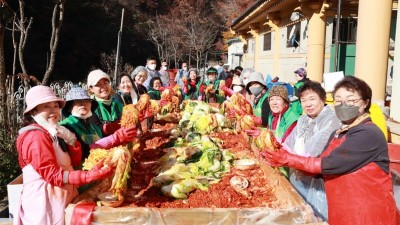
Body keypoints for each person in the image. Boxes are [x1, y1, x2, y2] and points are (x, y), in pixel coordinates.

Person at [262, 76, 398, 225]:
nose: (344, 105)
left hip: (367, 213)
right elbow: (318, 167)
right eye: (339, 101)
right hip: (342, 209)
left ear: (365, 103)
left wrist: (288, 159)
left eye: (351, 100)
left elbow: (328, 164)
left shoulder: (368, 133)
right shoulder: (341, 131)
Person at [15, 85, 114, 225]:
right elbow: (51, 174)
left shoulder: (55, 131)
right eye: (46, 106)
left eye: (55, 106)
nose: (53, 111)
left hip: (63, 198)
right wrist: (86, 176)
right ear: (33, 111)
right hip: (44, 204)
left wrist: (73, 144)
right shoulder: (34, 136)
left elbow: (73, 162)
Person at [283, 81, 341, 220]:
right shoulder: (303, 119)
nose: (307, 104)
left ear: (323, 99)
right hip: (297, 174)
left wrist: (291, 159)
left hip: (316, 181)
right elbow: (288, 143)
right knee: (300, 213)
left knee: (316, 216)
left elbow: (315, 150)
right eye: (303, 100)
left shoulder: (332, 120)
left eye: (312, 99)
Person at [60, 86, 138, 162]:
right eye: (77, 101)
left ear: (91, 105)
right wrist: (114, 138)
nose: (83, 103)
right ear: (69, 107)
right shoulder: (65, 127)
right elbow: (83, 151)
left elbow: (104, 150)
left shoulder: (95, 128)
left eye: (86, 100)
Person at [87, 69, 122, 135]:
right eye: (98, 84)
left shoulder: (118, 103)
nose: (103, 87)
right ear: (91, 89)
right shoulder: (90, 107)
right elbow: (97, 130)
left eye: (105, 83)